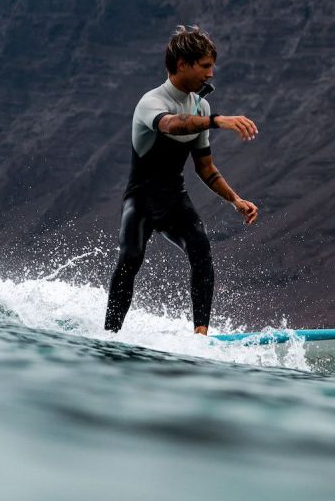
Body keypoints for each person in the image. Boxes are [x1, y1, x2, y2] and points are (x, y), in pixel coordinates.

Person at [103, 25, 259, 336]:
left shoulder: (201, 105)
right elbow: (174, 125)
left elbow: (205, 167)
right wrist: (218, 121)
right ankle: (109, 336)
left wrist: (235, 199)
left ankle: (200, 336)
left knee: (201, 250)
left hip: (175, 200)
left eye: (212, 66)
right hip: (141, 200)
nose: (211, 73)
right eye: (204, 66)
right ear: (182, 64)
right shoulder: (151, 102)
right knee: (130, 258)